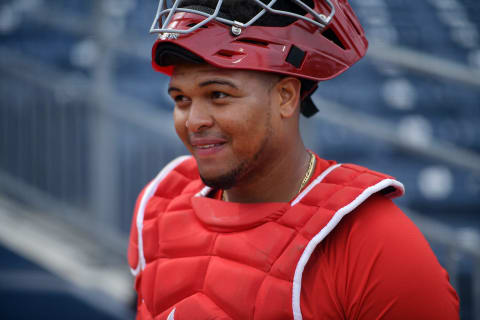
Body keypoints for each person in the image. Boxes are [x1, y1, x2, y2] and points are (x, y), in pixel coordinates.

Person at [127, 0, 460, 319]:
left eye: (218, 95)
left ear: (286, 97)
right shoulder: (158, 202)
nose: (193, 120)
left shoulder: (375, 243)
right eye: (181, 99)